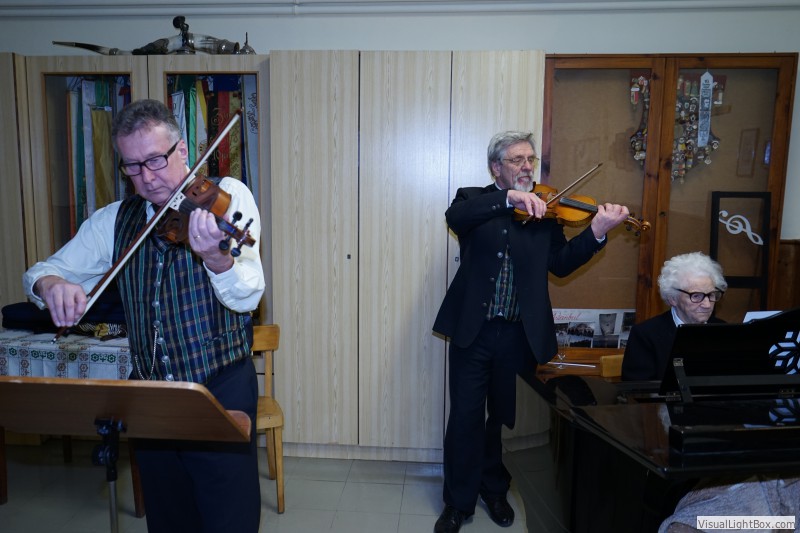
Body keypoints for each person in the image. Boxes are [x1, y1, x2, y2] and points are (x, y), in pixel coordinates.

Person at [23, 99, 265, 533]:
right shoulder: (115, 220)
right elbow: (42, 271)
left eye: (155, 160)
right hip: (151, 396)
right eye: (132, 166)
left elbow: (249, 294)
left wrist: (218, 260)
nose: (147, 177)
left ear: (183, 150)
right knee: (168, 516)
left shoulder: (226, 197)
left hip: (220, 386)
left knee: (229, 516)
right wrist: (51, 286)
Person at [431, 131, 632, 532]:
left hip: (517, 335)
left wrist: (596, 232)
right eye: (517, 160)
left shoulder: (548, 211)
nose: (527, 167)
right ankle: (458, 502)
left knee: (502, 417)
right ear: (496, 168)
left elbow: (560, 264)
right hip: (473, 332)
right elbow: (457, 219)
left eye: (530, 159)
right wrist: (509, 199)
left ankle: (494, 490)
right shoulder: (472, 199)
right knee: (466, 418)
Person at [621, 251, 727, 381]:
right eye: (696, 296)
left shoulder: (723, 330)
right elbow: (639, 388)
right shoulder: (645, 335)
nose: (707, 304)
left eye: (711, 295)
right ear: (673, 299)